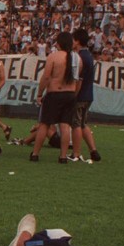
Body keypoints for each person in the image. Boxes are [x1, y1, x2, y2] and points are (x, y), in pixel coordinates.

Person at [30, 31, 80, 163]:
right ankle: (63, 156)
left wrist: (40, 93)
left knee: (44, 124)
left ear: (59, 43)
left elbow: (46, 77)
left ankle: (35, 153)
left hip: (54, 94)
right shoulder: (76, 58)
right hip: (70, 94)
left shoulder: (53, 57)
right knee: (65, 126)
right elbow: (79, 79)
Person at [70, 29, 101, 162]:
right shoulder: (88, 55)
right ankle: (93, 150)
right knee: (83, 124)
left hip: (81, 96)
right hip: (89, 95)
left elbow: (79, 80)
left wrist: (74, 96)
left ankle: (76, 154)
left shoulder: (80, 57)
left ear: (77, 41)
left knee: (76, 124)